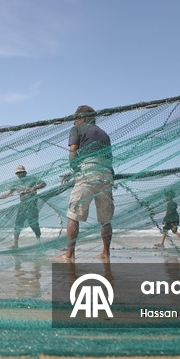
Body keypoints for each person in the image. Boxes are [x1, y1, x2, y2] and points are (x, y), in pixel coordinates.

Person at [60, 105, 114, 262]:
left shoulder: (77, 129)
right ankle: (106, 252)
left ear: (81, 118)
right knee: (105, 219)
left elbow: (73, 153)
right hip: (106, 175)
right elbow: (109, 158)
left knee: (74, 214)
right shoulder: (104, 134)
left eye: (75, 119)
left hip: (87, 175)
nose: (74, 122)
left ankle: (69, 254)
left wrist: (75, 169)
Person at [0, 165, 46, 248]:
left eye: (21, 172)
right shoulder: (16, 184)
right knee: (18, 224)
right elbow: (8, 194)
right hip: (23, 205)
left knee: (33, 224)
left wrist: (33, 189)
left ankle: (39, 241)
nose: (19, 174)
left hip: (32, 205)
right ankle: (15, 244)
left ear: (25, 172)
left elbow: (43, 184)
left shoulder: (32, 179)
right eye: (18, 173)